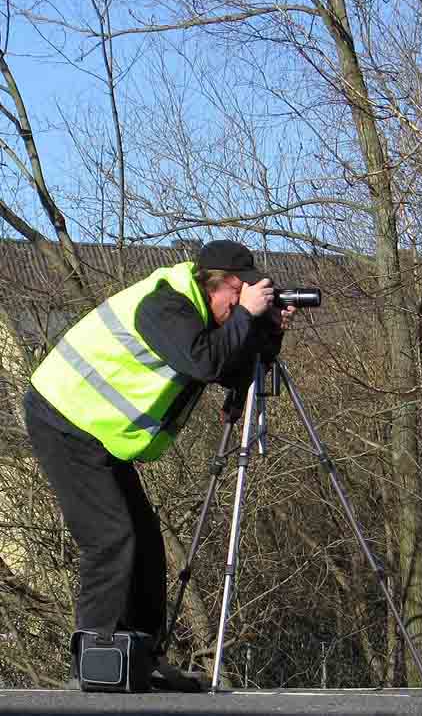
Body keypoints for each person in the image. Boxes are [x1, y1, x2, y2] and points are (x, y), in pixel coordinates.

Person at [23, 239, 295, 691]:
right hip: (62, 416)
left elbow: (231, 368)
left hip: (97, 429)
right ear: (215, 285)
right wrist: (247, 315)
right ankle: (94, 663)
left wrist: (269, 332)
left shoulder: (205, 315)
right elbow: (206, 362)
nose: (241, 302)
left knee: (146, 540)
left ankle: (142, 658)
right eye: (237, 293)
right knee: (110, 535)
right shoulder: (165, 305)